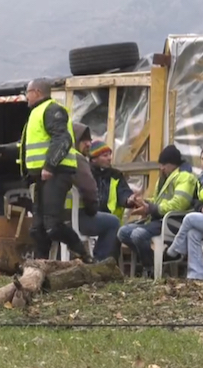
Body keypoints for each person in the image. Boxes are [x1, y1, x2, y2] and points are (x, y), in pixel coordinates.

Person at [18, 78, 93, 263]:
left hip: (56, 173)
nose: (26, 97)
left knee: (53, 225)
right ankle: (40, 265)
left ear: (36, 92)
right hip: (39, 177)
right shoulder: (36, 113)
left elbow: (64, 139)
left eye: (27, 92)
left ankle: (81, 252)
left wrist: (50, 165)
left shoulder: (52, 110)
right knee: (37, 229)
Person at [117, 144, 197, 274]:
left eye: (164, 164)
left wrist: (151, 208)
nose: (161, 168)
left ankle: (150, 269)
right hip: (157, 219)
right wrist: (143, 203)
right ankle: (153, 262)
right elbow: (156, 200)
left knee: (138, 234)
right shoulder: (163, 179)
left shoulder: (186, 177)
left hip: (172, 222)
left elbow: (179, 204)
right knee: (123, 232)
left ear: (172, 164)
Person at [64, 123, 121, 261]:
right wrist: (92, 209)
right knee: (113, 222)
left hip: (57, 219)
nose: (89, 144)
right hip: (76, 218)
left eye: (89, 140)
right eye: (84, 141)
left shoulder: (58, 157)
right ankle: (100, 263)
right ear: (75, 140)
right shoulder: (77, 158)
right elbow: (89, 189)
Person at [164, 146, 203, 280]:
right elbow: (194, 200)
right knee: (192, 233)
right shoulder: (202, 179)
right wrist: (201, 208)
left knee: (189, 218)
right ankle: (196, 276)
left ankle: (174, 250)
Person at [89, 140, 138, 222]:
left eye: (110, 155)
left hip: (112, 221)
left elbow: (123, 191)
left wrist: (129, 199)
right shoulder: (87, 174)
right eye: (105, 155)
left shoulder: (116, 175)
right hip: (90, 219)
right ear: (94, 159)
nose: (109, 158)